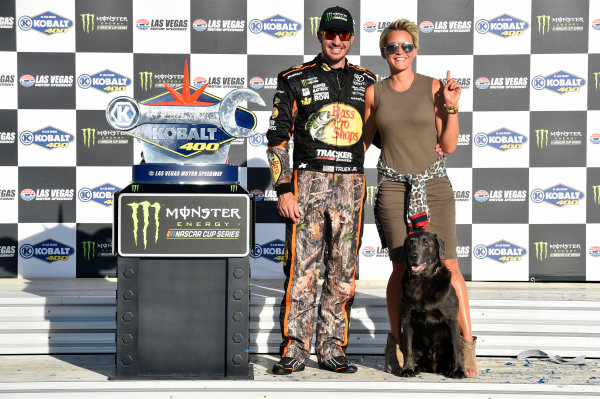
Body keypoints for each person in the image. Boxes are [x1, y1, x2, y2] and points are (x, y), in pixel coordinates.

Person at [362, 19, 478, 377]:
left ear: (415, 50)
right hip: (393, 187)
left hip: (433, 186)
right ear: (384, 52)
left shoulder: (434, 88)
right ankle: (398, 345)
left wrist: (452, 105)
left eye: (406, 46)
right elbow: (361, 143)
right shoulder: (374, 92)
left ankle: (467, 346)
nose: (400, 52)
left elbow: (449, 146)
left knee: (450, 265)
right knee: (400, 267)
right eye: (393, 47)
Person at [266, 6, 376, 375]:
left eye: (344, 35)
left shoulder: (367, 79)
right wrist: (284, 189)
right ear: (320, 36)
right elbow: (277, 139)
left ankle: (331, 346)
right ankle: (295, 346)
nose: (337, 40)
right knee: (303, 270)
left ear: (352, 38)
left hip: (351, 184)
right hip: (308, 181)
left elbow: (382, 128)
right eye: (330, 34)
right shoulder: (294, 78)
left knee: (343, 268)